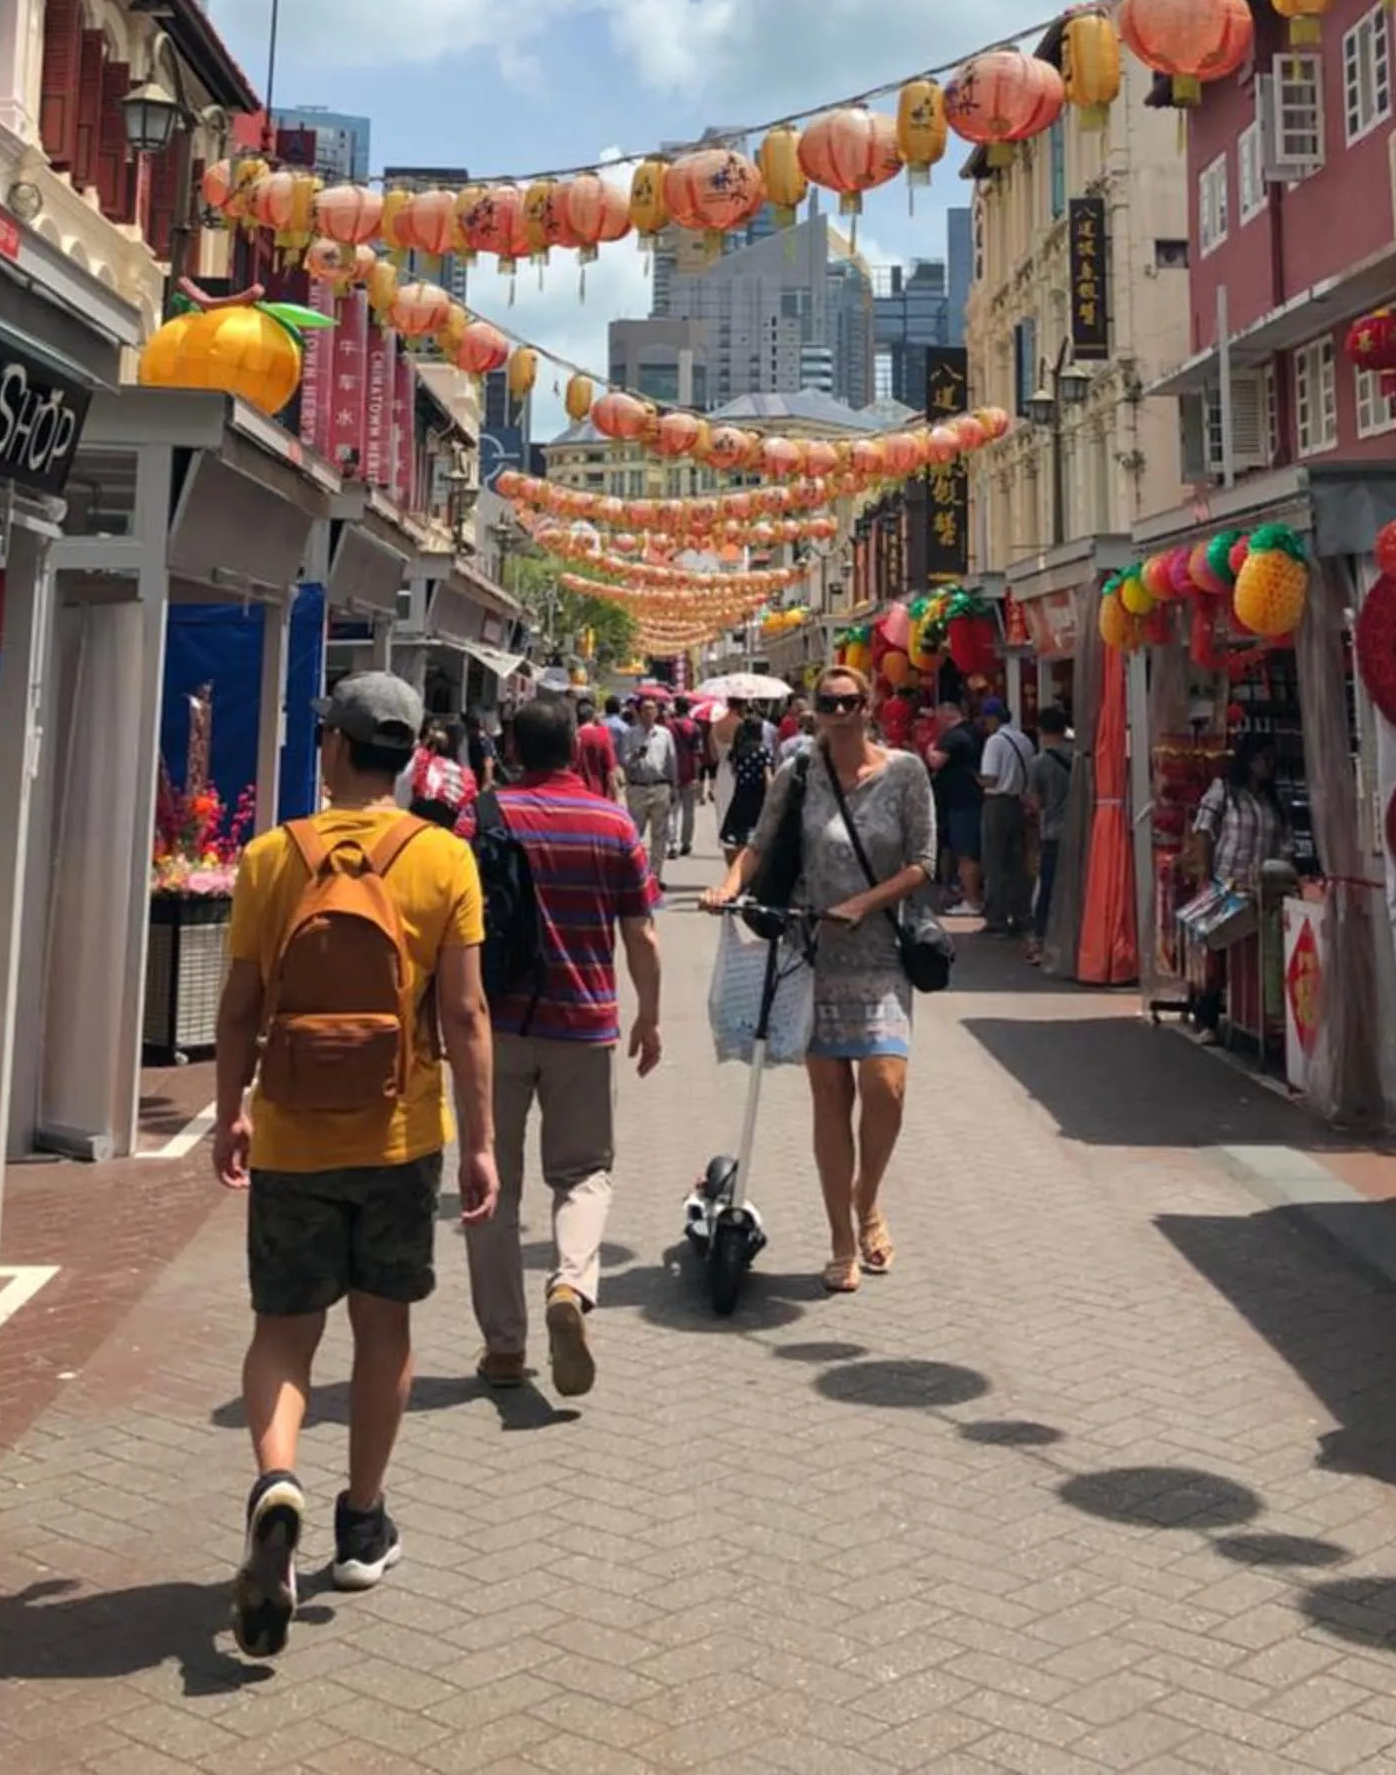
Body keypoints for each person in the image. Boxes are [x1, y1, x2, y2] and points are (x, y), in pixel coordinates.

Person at [212, 674, 497, 1657]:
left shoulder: (269, 858)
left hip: (291, 1130)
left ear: (330, 747)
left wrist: (227, 1113)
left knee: (284, 1336)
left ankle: (276, 1476)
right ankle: (362, 1523)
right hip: (401, 1133)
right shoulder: (444, 858)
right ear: (412, 755)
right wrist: (485, 1139)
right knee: (384, 1332)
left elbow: (241, 1006)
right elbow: (464, 1014)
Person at [706, 664, 937, 1294]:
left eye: (851, 702)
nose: (840, 713)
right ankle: (842, 1238)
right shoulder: (798, 772)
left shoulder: (906, 774)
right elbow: (761, 842)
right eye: (829, 704)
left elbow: (922, 863)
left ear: (869, 708)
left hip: (881, 955)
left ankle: (869, 1199)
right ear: (814, 711)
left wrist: (864, 903)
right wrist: (729, 884)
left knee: (886, 1085)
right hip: (813, 953)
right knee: (830, 1097)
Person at [463, 697, 662, 1396]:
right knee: (583, 1173)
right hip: (585, 1024)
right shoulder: (613, 823)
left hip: (496, 1027)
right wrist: (651, 1017)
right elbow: (641, 933)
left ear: (512, 745)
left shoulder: (480, 816)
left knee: (492, 1186)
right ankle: (571, 1288)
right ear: (579, 752)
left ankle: (504, 1349)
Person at [1183, 734, 1282, 1040]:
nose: (1268, 765)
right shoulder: (1224, 791)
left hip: (1259, 889)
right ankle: (1207, 1017)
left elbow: (1283, 842)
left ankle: (1253, 1017)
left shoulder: (1271, 801)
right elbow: (1203, 828)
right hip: (1225, 882)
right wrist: (1205, 874)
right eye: (1263, 758)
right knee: (1216, 950)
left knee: (1256, 954)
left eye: (1271, 759)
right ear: (1249, 760)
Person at [975, 697, 1036, 936]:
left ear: (992, 718)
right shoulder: (1024, 740)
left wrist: (976, 780)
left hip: (997, 803)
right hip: (1018, 803)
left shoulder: (995, 742)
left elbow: (991, 778)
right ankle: (1021, 914)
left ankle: (997, 917)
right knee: (1018, 863)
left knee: (995, 861)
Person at [924, 700, 986, 919]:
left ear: (946, 715)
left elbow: (936, 762)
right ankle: (968, 893)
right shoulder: (974, 732)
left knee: (965, 854)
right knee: (967, 852)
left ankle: (972, 900)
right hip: (967, 800)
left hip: (962, 802)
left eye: (939, 718)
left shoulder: (954, 736)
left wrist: (930, 747)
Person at [1024, 706, 1073, 964]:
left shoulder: (1040, 763)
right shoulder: (1079, 756)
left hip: (1053, 832)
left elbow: (1035, 802)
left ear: (1041, 730)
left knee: (1048, 888)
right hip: (1080, 833)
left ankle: (1040, 940)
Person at [624, 693, 677, 887]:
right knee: (635, 834)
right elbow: (624, 762)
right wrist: (636, 755)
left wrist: (674, 787)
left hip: (660, 786)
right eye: (645, 709)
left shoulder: (665, 734)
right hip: (638, 788)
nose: (649, 712)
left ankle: (655, 876)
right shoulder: (630, 735)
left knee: (659, 834)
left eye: (652, 709)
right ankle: (637, 874)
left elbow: (671, 762)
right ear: (638, 712)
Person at [714, 695, 770, 853]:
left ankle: (730, 863)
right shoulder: (742, 725)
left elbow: (713, 755)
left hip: (722, 772)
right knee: (743, 825)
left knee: (725, 820)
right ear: (742, 705)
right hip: (740, 777)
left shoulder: (716, 724)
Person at [668, 694, 706, 859]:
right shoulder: (694, 727)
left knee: (672, 811)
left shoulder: (667, 726)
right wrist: (698, 778)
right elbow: (697, 754)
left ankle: (672, 844)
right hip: (690, 774)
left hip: (671, 774)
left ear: (676, 708)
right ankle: (686, 843)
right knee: (689, 812)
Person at [573, 696, 621, 802]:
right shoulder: (602, 734)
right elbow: (610, 771)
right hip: (597, 795)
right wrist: (616, 797)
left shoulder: (571, 736)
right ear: (593, 715)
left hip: (575, 794)